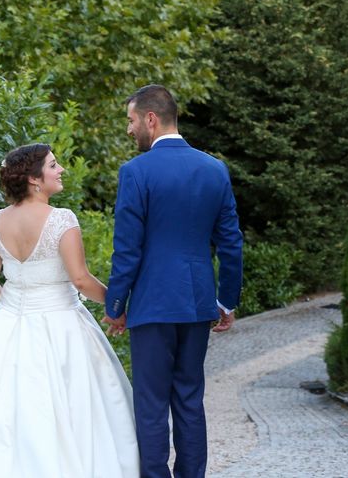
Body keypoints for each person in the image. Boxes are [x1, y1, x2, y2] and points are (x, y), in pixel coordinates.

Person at [0, 143, 139, 478]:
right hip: (62, 324)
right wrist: (116, 307)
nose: (61, 170)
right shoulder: (62, 220)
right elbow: (80, 278)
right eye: (53, 165)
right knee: (75, 408)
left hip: (4, 323)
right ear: (34, 179)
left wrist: (16, 305)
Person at [103, 85, 244, 478]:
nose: (130, 130)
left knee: (150, 403)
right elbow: (231, 243)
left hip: (152, 304)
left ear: (151, 119)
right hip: (198, 303)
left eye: (131, 121)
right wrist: (226, 301)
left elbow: (127, 249)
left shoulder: (136, 172)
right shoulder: (214, 169)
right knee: (189, 398)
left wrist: (115, 306)